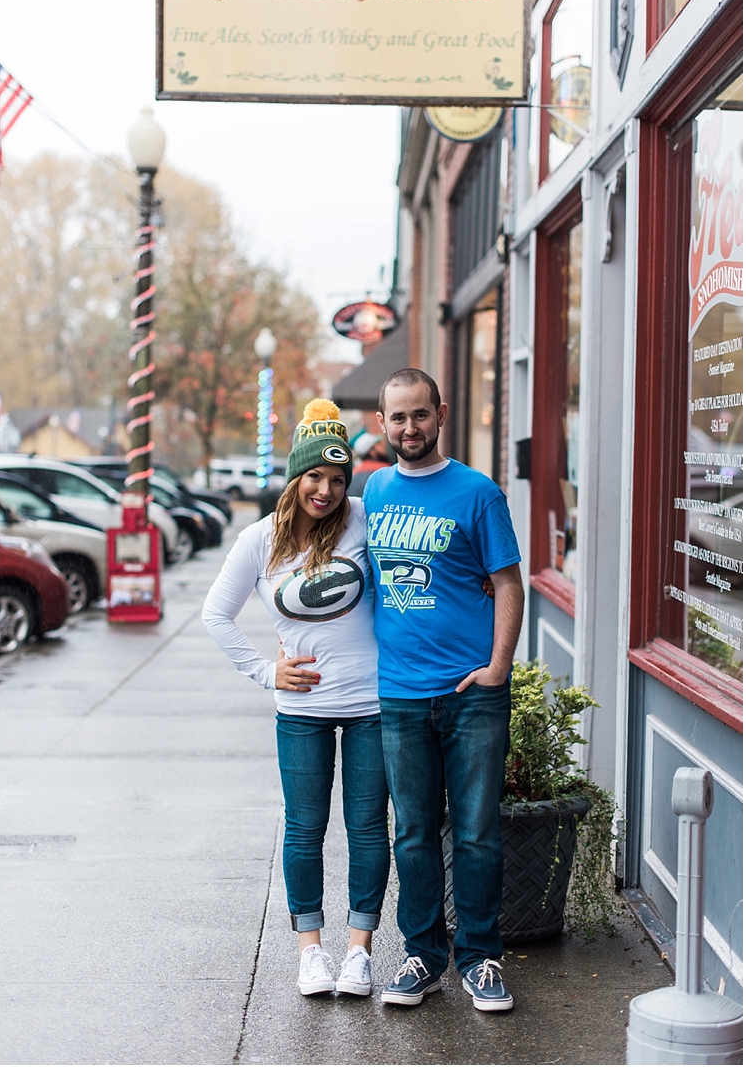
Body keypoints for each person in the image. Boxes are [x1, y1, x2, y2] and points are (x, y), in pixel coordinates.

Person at [203, 399, 389, 999]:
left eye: (338, 479)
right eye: (316, 477)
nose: (327, 490)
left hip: (371, 705)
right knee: (305, 830)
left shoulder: (366, 518)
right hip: (302, 712)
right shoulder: (260, 541)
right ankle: (311, 952)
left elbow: (421, 559)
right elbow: (216, 615)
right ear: (296, 477)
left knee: (367, 830)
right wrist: (265, 672)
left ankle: (359, 951)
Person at [362, 367, 523, 1012]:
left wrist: (498, 667)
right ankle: (422, 958)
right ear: (382, 422)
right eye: (397, 417)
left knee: (479, 831)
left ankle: (481, 960)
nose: (409, 428)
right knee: (414, 833)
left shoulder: (478, 493)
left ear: (441, 413)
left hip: (470, 693)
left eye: (420, 415)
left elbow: (508, 583)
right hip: (400, 694)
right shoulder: (372, 492)